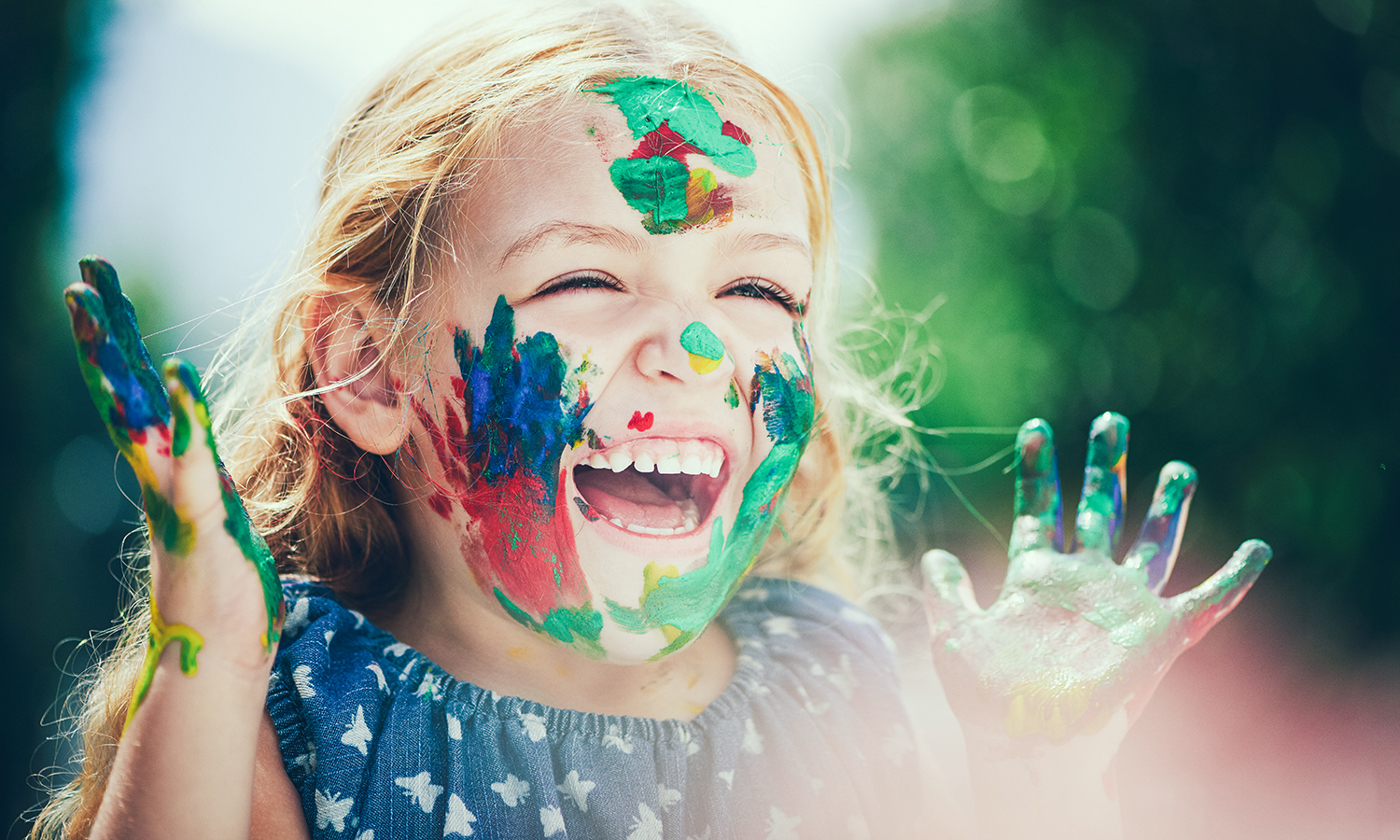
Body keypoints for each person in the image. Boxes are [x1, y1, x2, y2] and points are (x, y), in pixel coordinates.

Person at [33, 3, 1270, 839]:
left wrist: (1040, 771)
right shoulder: (294, 707)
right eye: (584, 279)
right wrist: (206, 640)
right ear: (368, 370)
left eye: (754, 292)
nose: (692, 350)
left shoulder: (828, 685)